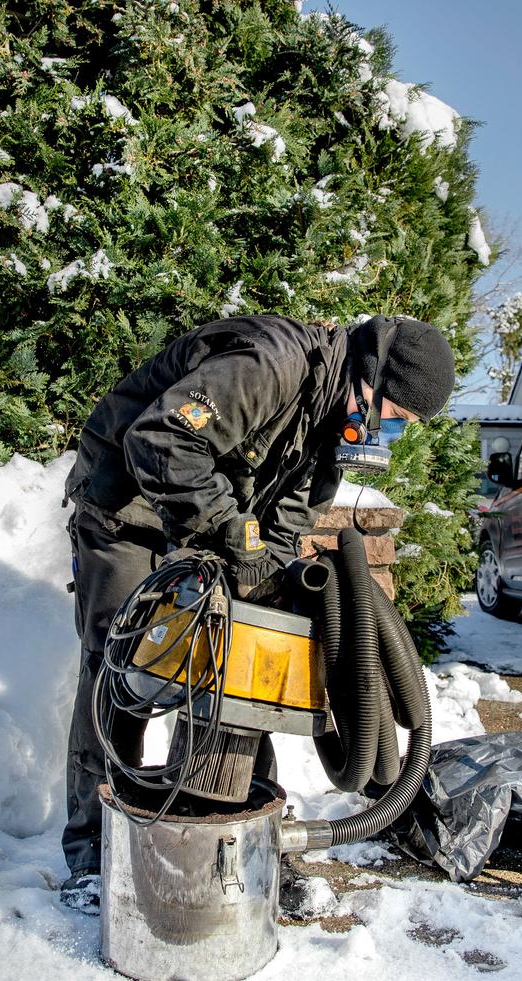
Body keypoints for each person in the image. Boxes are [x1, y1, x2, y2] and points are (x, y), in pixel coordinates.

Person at [59, 313, 455, 910]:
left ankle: (233, 840)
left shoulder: (335, 414)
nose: (389, 433)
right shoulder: (271, 364)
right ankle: (95, 854)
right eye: (393, 415)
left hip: (202, 511)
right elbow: (162, 438)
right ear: (369, 376)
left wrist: (265, 568)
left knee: (235, 668)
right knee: (121, 670)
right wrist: (229, 531)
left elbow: (296, 508)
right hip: (129, 504)